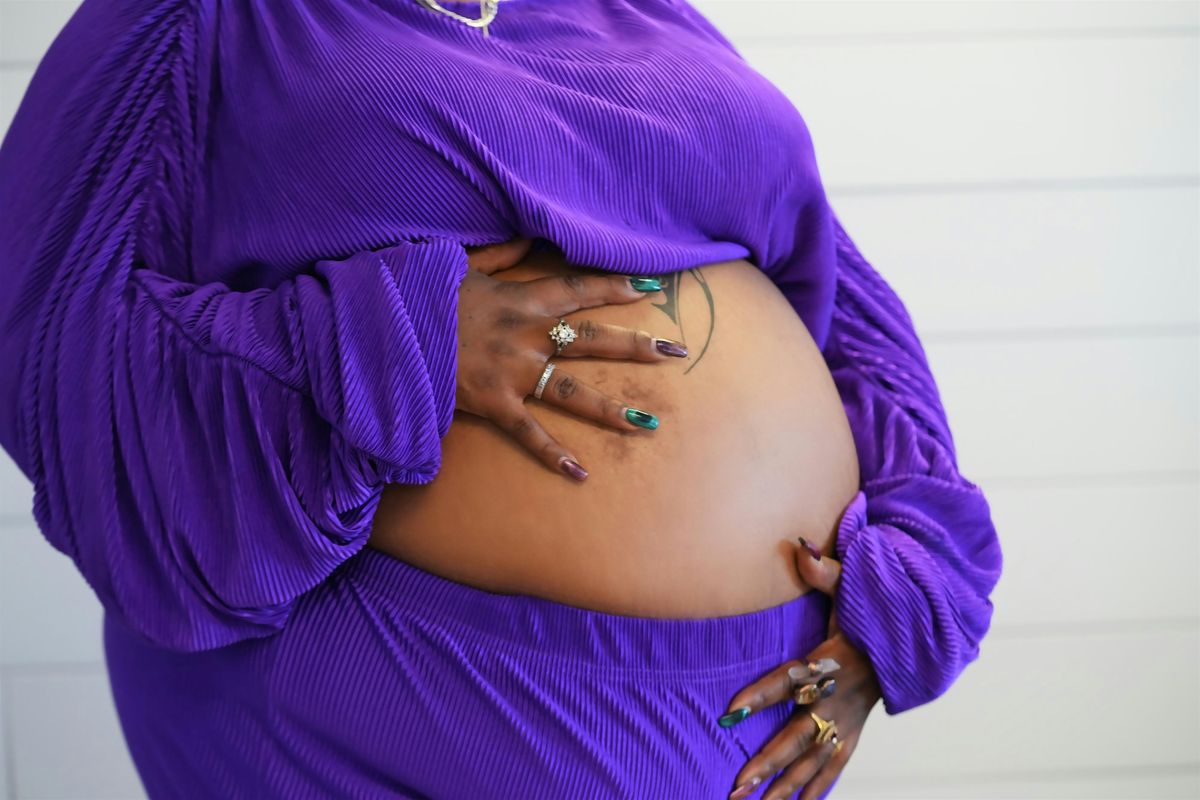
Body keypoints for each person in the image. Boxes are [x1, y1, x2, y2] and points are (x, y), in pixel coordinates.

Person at [0, 0, 1004, 798]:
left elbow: (841, 295)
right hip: (404, 686)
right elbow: (51, 345)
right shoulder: (198, 20)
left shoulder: (645, 15)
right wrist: (397, 339)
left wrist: (907, 587)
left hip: (764, 710)